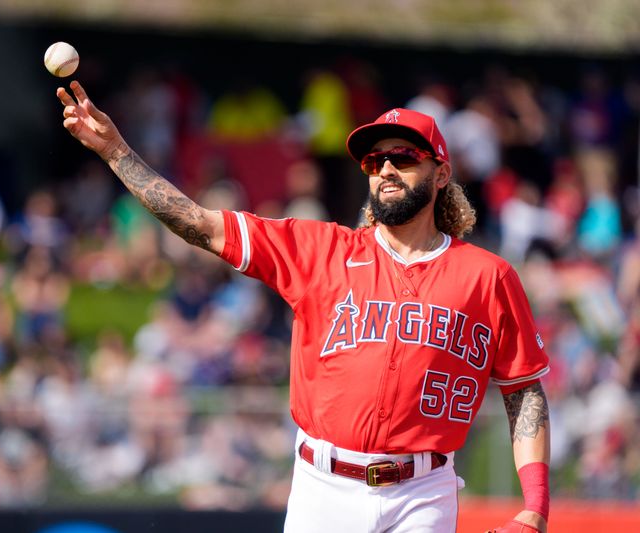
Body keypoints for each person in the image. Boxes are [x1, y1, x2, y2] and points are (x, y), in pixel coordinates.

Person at [57, 80, 551, 533]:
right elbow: (201, 226)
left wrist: (534, 507)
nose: (386, 170)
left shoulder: (487, 276)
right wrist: (116, 152)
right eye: (374, 162)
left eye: (403, 158)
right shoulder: (319, 250)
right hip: (325, 486)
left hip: (422, 493)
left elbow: (522, 389)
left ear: (441, 173)